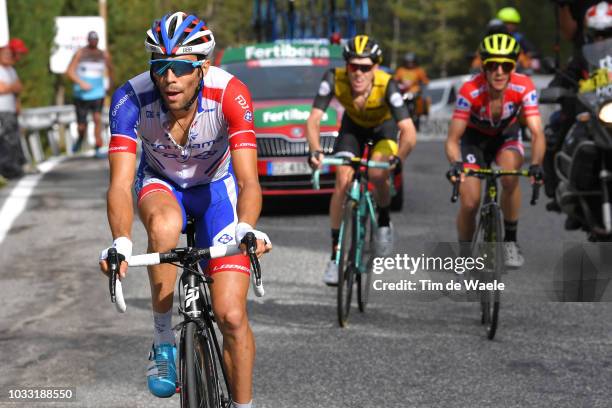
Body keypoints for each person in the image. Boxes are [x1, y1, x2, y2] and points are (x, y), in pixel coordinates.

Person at [98, 12, 271, 408]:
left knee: (230, 316)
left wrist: (246, 226)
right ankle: (162, 340)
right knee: (163, 225)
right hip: (162, 184)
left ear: (202, 66)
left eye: (180, 67)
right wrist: (121, 241)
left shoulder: (231, 93)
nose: (169, 78)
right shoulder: (130, 98)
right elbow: (120, 183)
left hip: (217, 189)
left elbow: (248, 181)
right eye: (161, 66)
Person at [306, 35, 417, 285]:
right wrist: (315, 150)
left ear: (375, 67)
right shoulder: (333, 78)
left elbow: (408, 131)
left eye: (365, 67)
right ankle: (335, 257)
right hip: (352, 129)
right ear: (346, 65)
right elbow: (313, 120)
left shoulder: (388, 84)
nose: (358, 73)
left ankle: (385, 221)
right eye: (353, 66)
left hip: (383, 129)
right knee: (342, 181)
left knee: (378, 175)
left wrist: (399, 158)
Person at [445, 33, 546, 268]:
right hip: (473, 140)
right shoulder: (469, 90)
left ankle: (510, 241)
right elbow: (453, 139)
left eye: (505, 65)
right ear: (484, 66)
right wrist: (455, 163)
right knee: (470, 202)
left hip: (505, 136)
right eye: (492, 65)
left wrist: (537, 165)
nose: (499, 71)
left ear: (513, 67)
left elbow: (537, 132)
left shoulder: (524, 86)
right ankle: (465, 255)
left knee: (510, 176)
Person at [544, 1, 611, 220]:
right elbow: (566, 75)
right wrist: (556, 88)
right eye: (596, 34)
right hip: (588, 114)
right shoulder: (582, 57)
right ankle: (559, 191)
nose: (601, 39)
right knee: (554, 133)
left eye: (607, 33)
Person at [66, 30, 114, 157]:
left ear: (97, 41)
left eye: (95, 40)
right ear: (88, 40)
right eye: (91, 40)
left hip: (98, 94)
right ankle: (81, 138)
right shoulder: (81, 53)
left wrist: (110, 84)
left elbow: (111, 70)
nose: (93, 42)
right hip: (81, 95)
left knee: (97, 119)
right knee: (82, 125)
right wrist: (81, 83)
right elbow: (70, 71)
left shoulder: (103, 54)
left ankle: (98, 146)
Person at [0, 45, 25, 182]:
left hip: (10, 110)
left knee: (13, 140)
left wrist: (7, 88)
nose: (8, 57)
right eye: (5, 54)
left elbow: (19, 87)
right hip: (1, 110)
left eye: (10, 54)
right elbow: (1, 89)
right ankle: (6, 169)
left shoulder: (11, 70)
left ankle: (13, 168)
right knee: (5, 140)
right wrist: (10, 87)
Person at [496, 6, 540, 71]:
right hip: (496, 64)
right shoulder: (493, 37)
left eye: (513, 24)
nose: (510, 26)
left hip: (517, 65)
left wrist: (530, 55)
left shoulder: (519, 37)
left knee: (533, 61)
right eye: (507, 23)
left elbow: (531, 51)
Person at [394, 52, 430, 128]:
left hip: (415, 92)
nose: (409, 64)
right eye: (408, 62)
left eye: (411, 62)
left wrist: (422, 90)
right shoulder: (401, 70)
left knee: (424, 100)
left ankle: (421, 114)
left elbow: (424, 82)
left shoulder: (419, 70)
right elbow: (395, 81)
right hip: (404, 93)